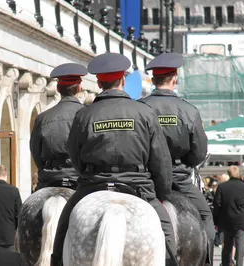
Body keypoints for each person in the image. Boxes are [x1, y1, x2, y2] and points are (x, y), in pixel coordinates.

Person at [51, 53, 177, 266]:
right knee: (166, 230)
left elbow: (74, 153)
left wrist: (89, 172)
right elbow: (160, 159)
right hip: (138, 185)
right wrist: (162, 194)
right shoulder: (144, 112)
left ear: (99, 82)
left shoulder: (84, 115)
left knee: (63, 227)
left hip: (94, 184)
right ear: (123, 81)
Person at [139, 52, 215, 265]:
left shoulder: (140, 107)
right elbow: (199, 152)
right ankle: (207, 261)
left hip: (147, 180)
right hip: (179, 179)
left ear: (153, 80)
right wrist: (184, 163)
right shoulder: (189, 110)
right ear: (174, 78)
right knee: (206, 216)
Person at [30, 63, 87, 191]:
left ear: (57, 88)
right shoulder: (89, 115)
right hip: (80, 179)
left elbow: (36, 154)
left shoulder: (42, 118)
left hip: (50, 178)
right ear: (79, 88)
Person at [213, 166, 244, 266]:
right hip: (240, 220)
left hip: (226, 219)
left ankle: (226, 263)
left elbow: (217, 204)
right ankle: (239, 263)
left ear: (229, 174)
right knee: (240, 245)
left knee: (227, 245)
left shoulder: (222, 187)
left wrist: (216, 221)